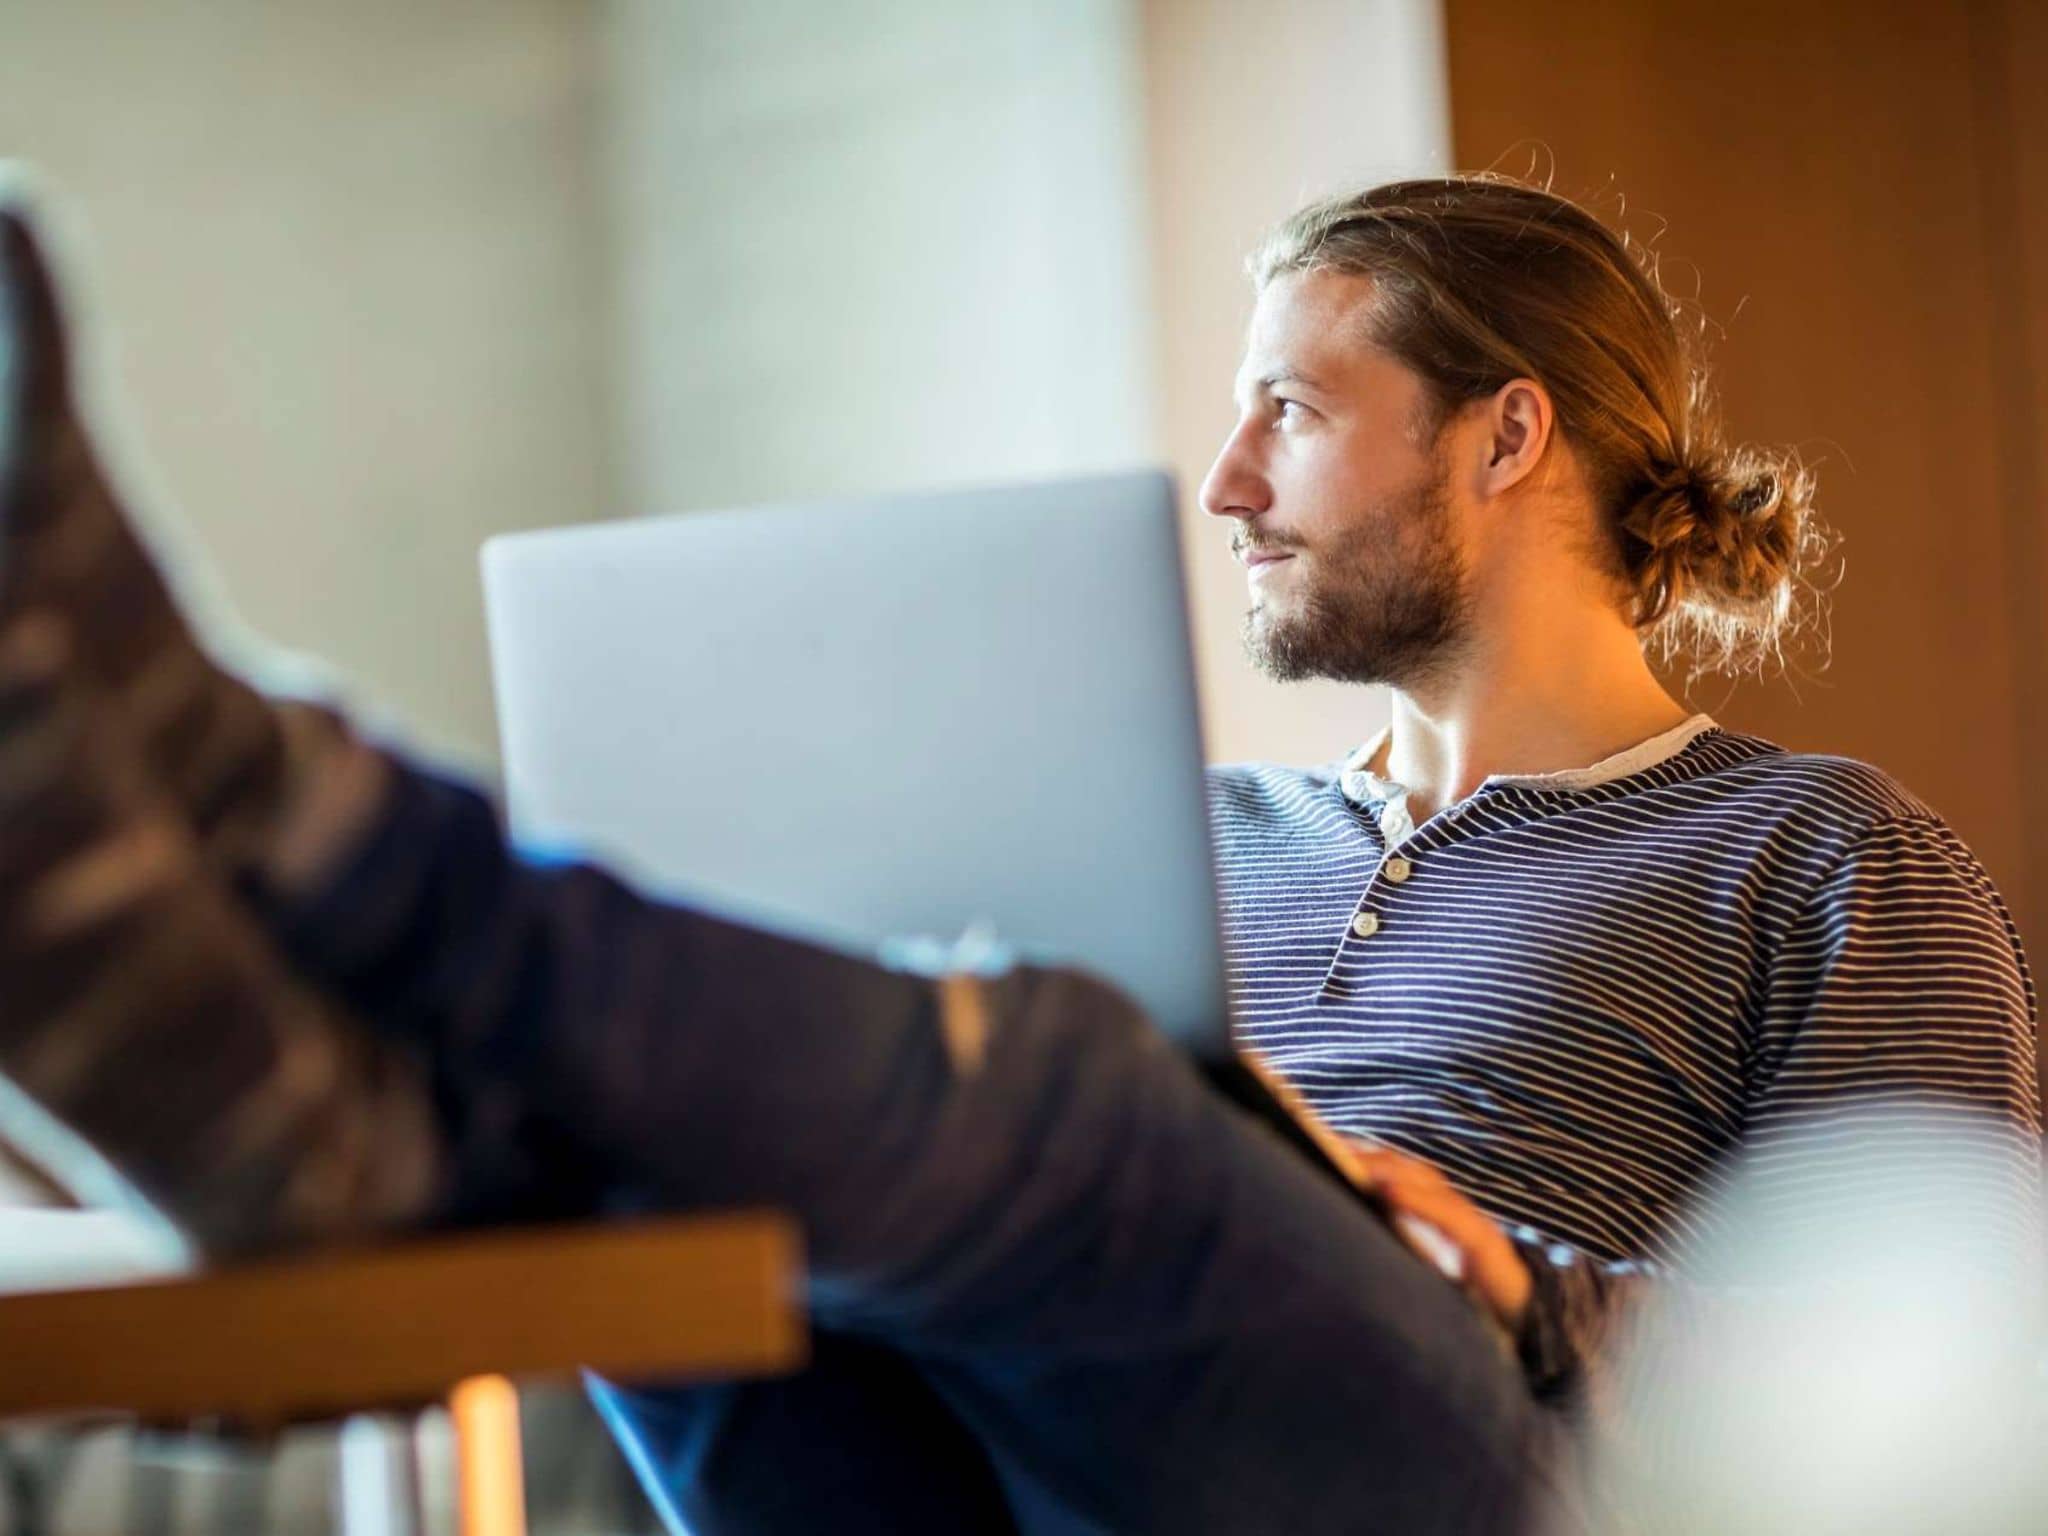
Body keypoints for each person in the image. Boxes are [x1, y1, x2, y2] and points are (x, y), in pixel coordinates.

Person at [0, 170, 2037, 1534]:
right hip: (1000, 1438)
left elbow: (1934, 1381)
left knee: (1068, 1071)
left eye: (1287, 414)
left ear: (1504, 441)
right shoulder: (1207, 831)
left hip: (1480, 1466)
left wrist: (1503, 1278)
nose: (1225, 483)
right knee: (709, 1162)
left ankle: (271, 804)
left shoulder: (1815, 855)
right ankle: (300, 1114)